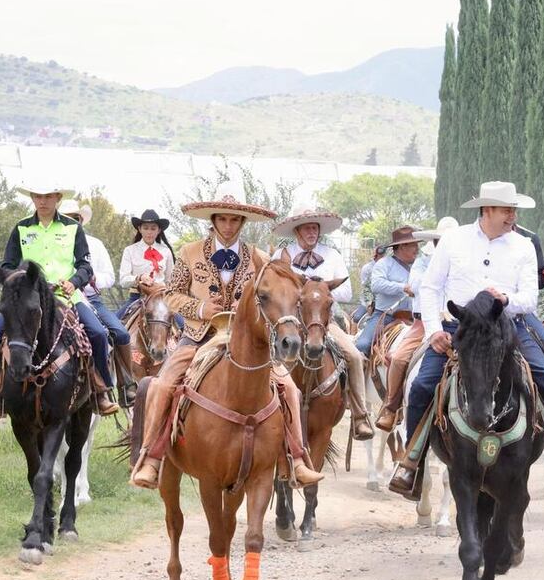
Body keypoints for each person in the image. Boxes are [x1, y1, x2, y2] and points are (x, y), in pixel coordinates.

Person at [388, 181, 544, 497]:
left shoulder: (523, 245)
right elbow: (430, 288)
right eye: (507, 210)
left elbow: (529, 298)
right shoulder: (453, 241)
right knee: (423, 384)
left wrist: (506, 299)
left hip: (508, 327)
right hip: (460, 328)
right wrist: (433, 331)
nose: (512, 216)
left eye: (514, 210)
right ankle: (412, 462)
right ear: (488, 210)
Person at [130, 183, 321, 488]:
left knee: (290, 388)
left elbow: (275, 296)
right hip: (197, 335)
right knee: (163, 383)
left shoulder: (260, 258)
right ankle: (151, 459)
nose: (228, 226)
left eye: (234, 220)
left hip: (247, 342)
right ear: (213, 220)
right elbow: (172, 296)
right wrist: (202, 307)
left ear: (242, 222)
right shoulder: (188, 252)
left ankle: (296, 460)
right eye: (222, 219)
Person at [0, 184, 120, 419]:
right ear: (33, 198)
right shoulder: (21, 228)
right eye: (37, 196)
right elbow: (7, 266)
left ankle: (101, 391)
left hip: (66, 296)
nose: (42, 201)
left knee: (98, 333)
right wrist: (20, 280)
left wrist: (74, 281)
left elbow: (86, 266)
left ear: (57, 198)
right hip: (28, 298)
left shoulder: (73, 228)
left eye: (47, 196)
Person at [274, 204, 374, 440]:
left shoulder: (333, 255)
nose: (312, 232)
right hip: (290, 322)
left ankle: (360, 416)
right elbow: (275, 288)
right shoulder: (281, 256)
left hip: (325, 322)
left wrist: (319, 292)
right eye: (307, 228)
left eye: (315, 228)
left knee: (354, 356)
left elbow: (347, 292)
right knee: (268, 356)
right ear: (297, 231)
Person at [374, 216, 459, 432]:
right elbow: (416, 284)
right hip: (424, 322)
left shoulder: (466, 261)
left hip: (459, 323)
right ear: (436, 243)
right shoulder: (422, 262)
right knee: (400, 357)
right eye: (442, 241)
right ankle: (391, 406)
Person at [59, 200, 137, 407]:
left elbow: (109, 276)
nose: (70, 222)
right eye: (66, 218)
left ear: (81, 220)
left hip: (90, 298)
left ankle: (125, 384)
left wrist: (91, 281)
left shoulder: (95, 244)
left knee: (120, 333)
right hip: (58, 299)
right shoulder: (54, 243)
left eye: (74, 218)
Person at [355, 227, 417, 356]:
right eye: (414, 244)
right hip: (385, 316)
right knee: (362, 345)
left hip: (415, 317)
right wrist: (403, 287)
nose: (417, 248)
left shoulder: (419, 266)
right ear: (402, 247)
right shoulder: (384, 264)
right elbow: (376, 285)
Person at [117, 209, 178, 327]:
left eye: (153, 228)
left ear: (159, 230)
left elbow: (171, 281)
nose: (149, 232)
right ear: (139, 229)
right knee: (112, 328)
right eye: (145, 228)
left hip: (162, 298)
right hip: (136, 298)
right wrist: (139, 278)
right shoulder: (130, 250)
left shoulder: (166, 251)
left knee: (185, 326)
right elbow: (123, 280)